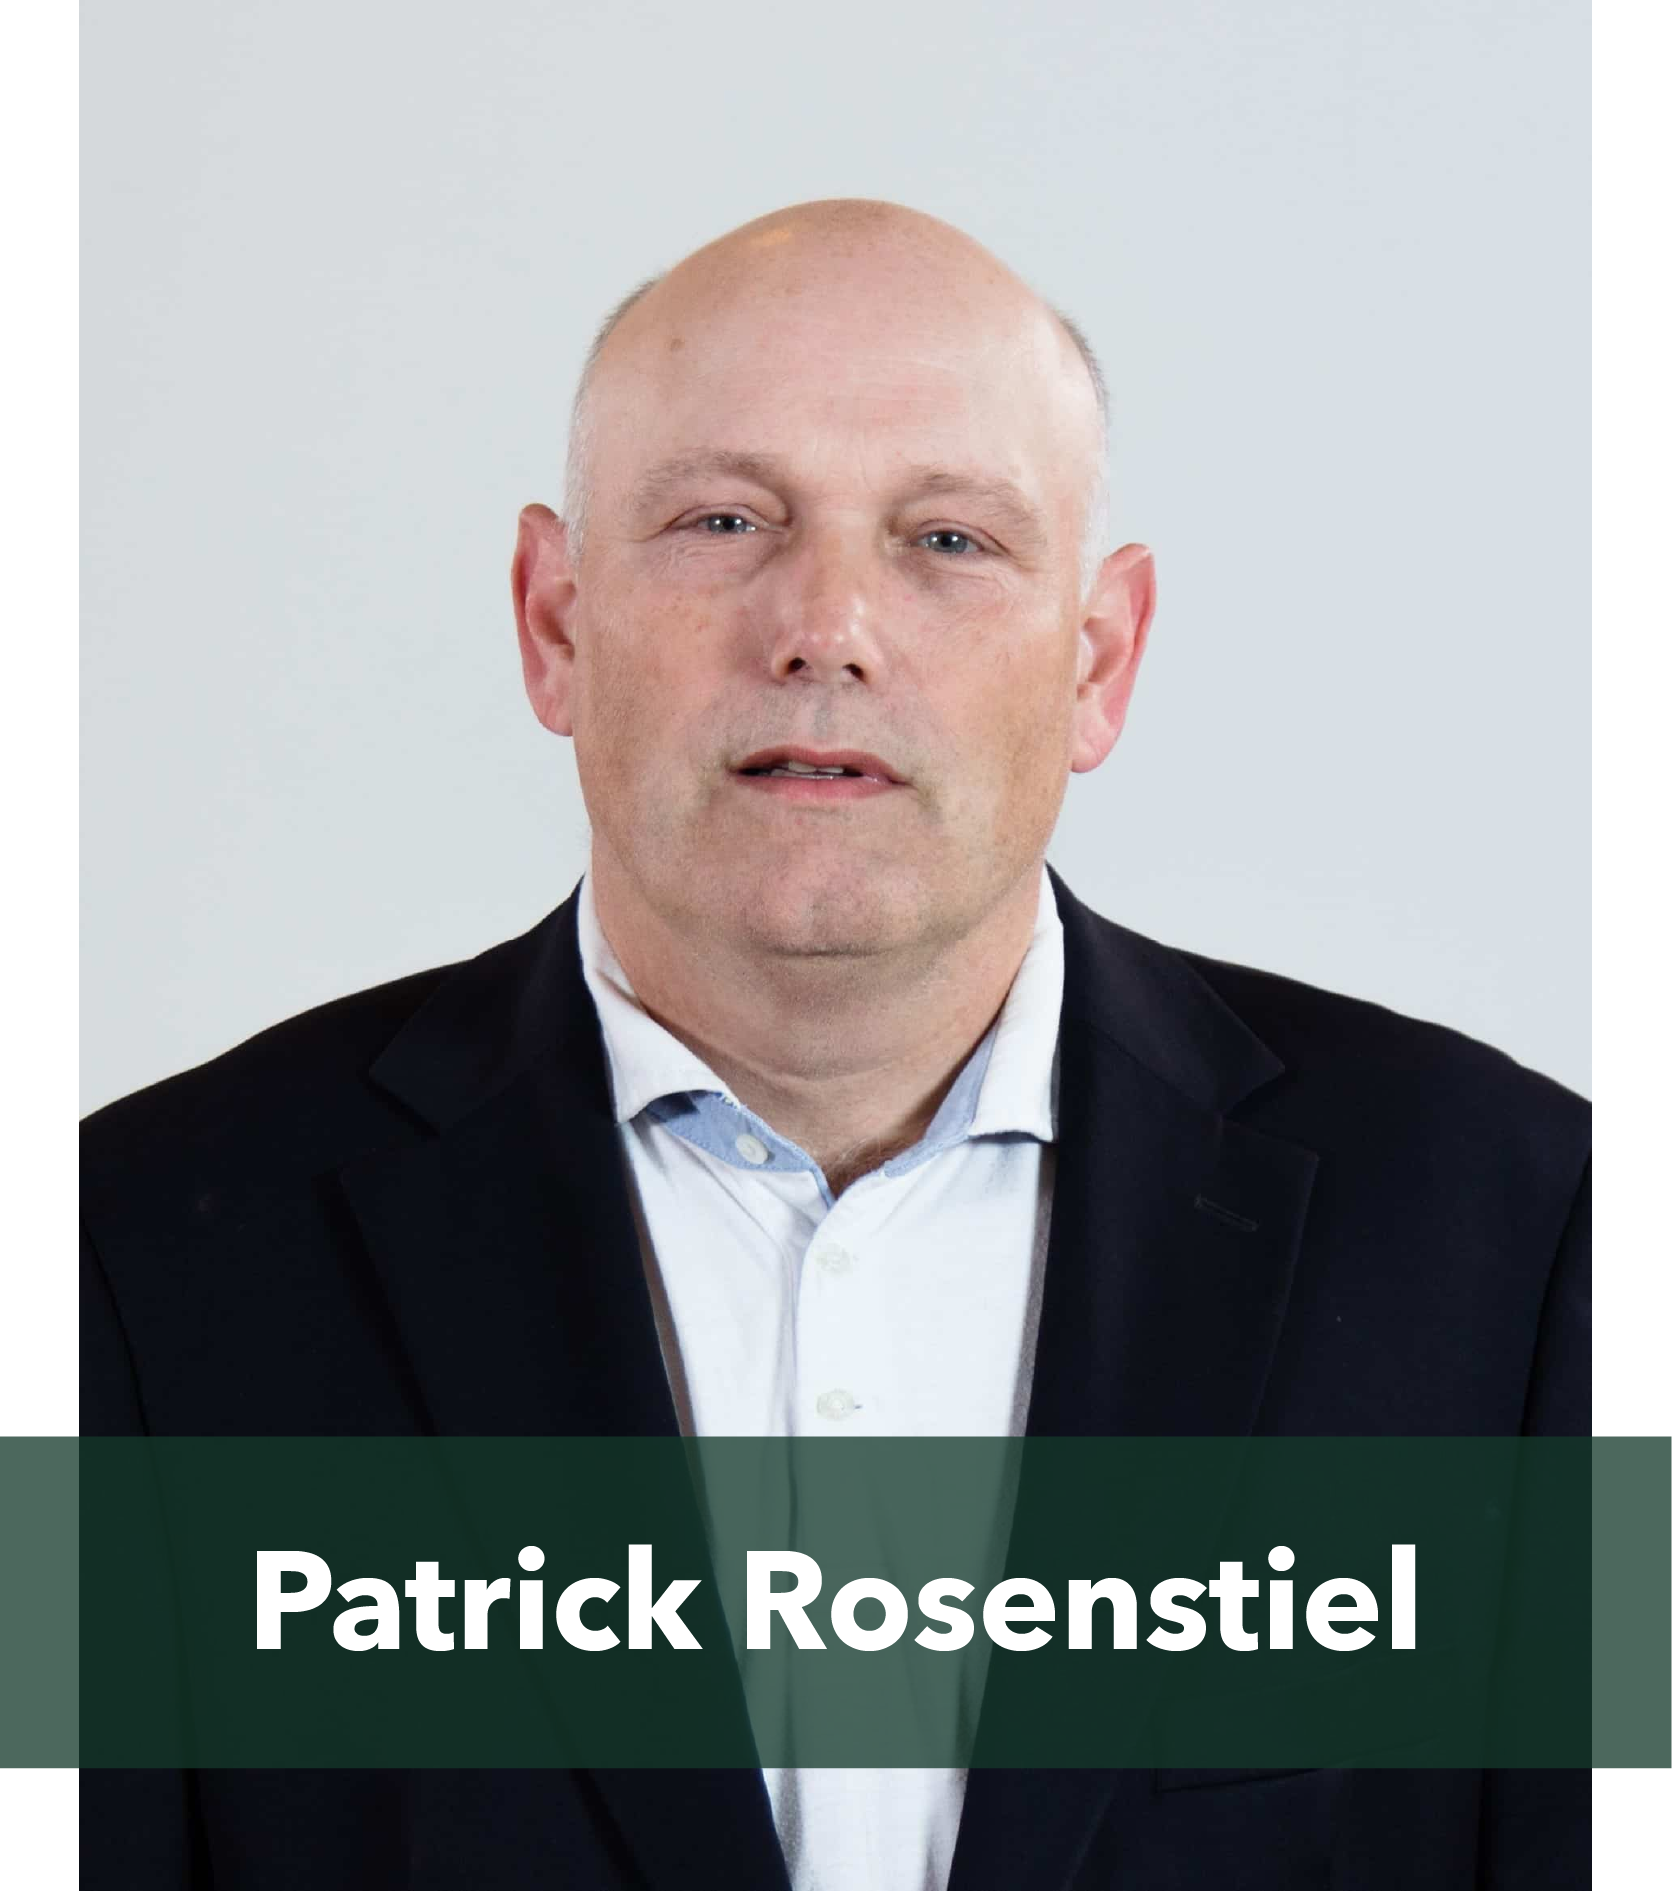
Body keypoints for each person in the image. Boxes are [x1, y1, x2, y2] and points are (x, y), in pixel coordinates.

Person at [81, 199, 1589, 1890]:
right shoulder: (126, 1267)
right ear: (555, 624)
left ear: (1099, 660)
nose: (826, 627)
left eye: (947, 540)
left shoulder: (1525, 1241)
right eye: (725, 519)